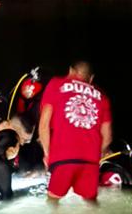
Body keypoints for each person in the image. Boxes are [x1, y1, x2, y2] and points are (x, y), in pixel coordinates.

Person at [39, 60, 113, 202]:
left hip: (63, 157)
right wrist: (96, 157)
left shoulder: (56, 83)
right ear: (91, 78)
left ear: (71, 70)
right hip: (91, 160)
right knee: (90, 203)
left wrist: (47, 154)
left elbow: (44, 124)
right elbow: (107, 136)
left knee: (53, 201)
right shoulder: (102, 96)